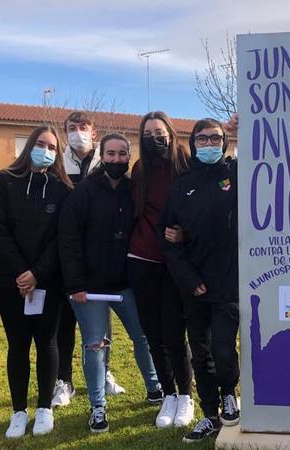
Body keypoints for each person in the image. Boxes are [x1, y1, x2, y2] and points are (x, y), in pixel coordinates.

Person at [58, 133, 161, 433]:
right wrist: (75, 284)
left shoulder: (133, 190)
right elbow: (68, 240)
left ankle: (155, 388)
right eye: (111, 154)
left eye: (122, 154)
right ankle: (98, 407)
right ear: (102, 156)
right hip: (88, 288)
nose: (117, 159)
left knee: (142, 337)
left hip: (125, 283)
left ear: (129, 157)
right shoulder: (84, 192)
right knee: (95, 344)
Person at [0, 126, 72, 438]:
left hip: (48, 281)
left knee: (47, 343)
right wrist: (21, 271)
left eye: (52, 147)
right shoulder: (5, 181)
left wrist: (37, 273)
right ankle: (19, 411)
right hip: (10, 281)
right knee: (18, 345)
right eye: (40, 144)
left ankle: (45, 408)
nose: (46, 150)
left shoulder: (63, 188)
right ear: (29, 146)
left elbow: (62, 238)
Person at [160, 118, 239, 443]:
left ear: (225, 141)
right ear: (192, 143)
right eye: (202, 139)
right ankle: (209, 414)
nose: (209, 144)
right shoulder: (182, 185)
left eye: (215, 138)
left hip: (230, 283)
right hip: (194, 285)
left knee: (223, 349)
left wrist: (244, 128)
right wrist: (190, 280)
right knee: (200, 352)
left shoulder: (235, 175)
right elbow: (168, 237)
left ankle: (229, 395)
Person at [53, 111, 124, 409]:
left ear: (94, 133)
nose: (78, 132)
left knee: (100, 324)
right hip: (64, 258)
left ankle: (104, 373)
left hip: (99, 261)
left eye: (83, 128)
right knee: (64, 324)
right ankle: (63, 380)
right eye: (72, 128)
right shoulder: (58, 165)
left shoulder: (107, 162)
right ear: (65, 132)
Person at [128, 111, 195, 429]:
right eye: (148, 133)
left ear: (170, 132)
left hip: (175, 261)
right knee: (151, 333)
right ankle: (167, 394)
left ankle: (185, 395)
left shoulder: (186, 164)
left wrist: (185, 232)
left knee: (173, 333)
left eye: (160, 131)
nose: (155, 137)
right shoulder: (140, 169)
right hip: (142, 258)